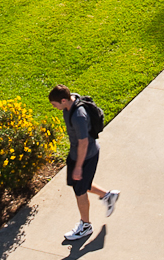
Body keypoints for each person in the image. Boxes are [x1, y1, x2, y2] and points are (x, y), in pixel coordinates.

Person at [50, 85, 121, 245]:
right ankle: (108, 195)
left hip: (85, 156)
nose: (54, 107)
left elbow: (83, 143)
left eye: (55, 105)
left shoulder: (78, 117)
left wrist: (78, 167)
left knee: (80, 190)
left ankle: (85, 226)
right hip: (77, 154)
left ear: (63, 100)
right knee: (79, 184)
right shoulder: (72, 99)